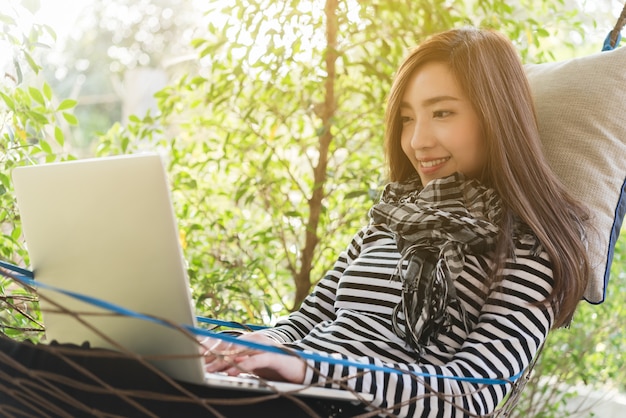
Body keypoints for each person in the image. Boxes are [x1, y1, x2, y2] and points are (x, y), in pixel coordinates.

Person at [202, 26, 591, 417]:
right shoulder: (394, 215)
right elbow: (309, 319)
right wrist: (263, 343)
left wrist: (312, 371)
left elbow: (474, 393)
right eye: (407, 118)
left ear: (496, 116)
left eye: (442, 113)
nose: (417, 141)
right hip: (285, 393)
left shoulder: (529, 242)